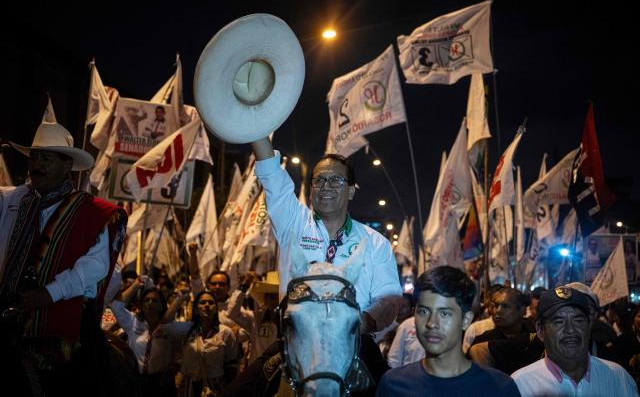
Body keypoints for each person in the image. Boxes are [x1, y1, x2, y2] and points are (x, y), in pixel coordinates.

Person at [250, 137, 402, 382]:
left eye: (335, 180)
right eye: (318, 180)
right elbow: (269, 172)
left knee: (389, 387)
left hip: (355, 345)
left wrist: (356, 324)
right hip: (294, 343)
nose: (325, 186)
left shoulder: (376, 243)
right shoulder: (293, 222)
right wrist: (253, 118)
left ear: (351, 190)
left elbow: (390, 300)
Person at [0, 105, 127, 396]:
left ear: (66, 166)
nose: (37, 165)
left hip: (54, 320)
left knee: (81, 381)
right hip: (5, 307)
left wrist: (49, 293)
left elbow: (95, 267)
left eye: (47, 158)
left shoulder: (89, 210)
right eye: (35, 157)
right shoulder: (10, 199)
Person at [375, 266, 520, 396]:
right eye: (424, 311)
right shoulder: (393, 385)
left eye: (444, 313)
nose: (432, 323)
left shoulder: (499, 388)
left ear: (466, 320)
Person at [511, 285, 638, 396]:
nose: (570, 330)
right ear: (540, 330)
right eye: (559, 322)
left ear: (589, 325)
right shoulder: (521, 385)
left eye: (578, 321)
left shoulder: (618, 377)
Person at [157, 290, 238, 397]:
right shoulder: (187, 329)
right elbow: (164, 325)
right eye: (202, 302)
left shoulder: (225, 332)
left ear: (216, 309)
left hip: (216, 386)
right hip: (189, 387)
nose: (207, 305)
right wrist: (180, 299)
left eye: (211, 302)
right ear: (195, 310)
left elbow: (231, 365)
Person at [111, 280, 178, 397]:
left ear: (162, 305)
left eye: (154, 300)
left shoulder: (170, 326)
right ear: (141, 305)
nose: (150, 303)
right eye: (146, 300)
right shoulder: (132, 322)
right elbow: (116, 307)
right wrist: (137, 284)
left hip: (163, 382)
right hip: (137, 380)